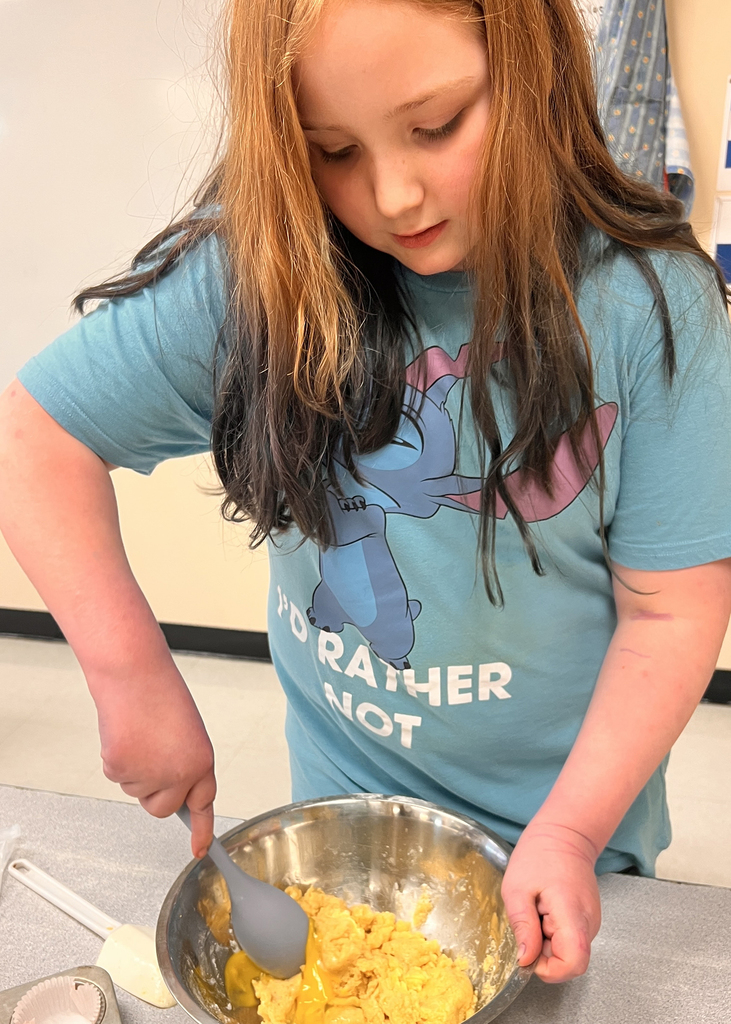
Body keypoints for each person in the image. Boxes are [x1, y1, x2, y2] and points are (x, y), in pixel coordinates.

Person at [1, 0, 730, 988]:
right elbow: (32, 434)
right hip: (342, 850)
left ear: (536, 66)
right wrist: (131, 677)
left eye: (436, 125)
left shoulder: (647, 303)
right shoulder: (256, 274)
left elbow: (670, 607)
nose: (392, 194)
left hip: (569, 836)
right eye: (331, 150)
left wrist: (565, 830)